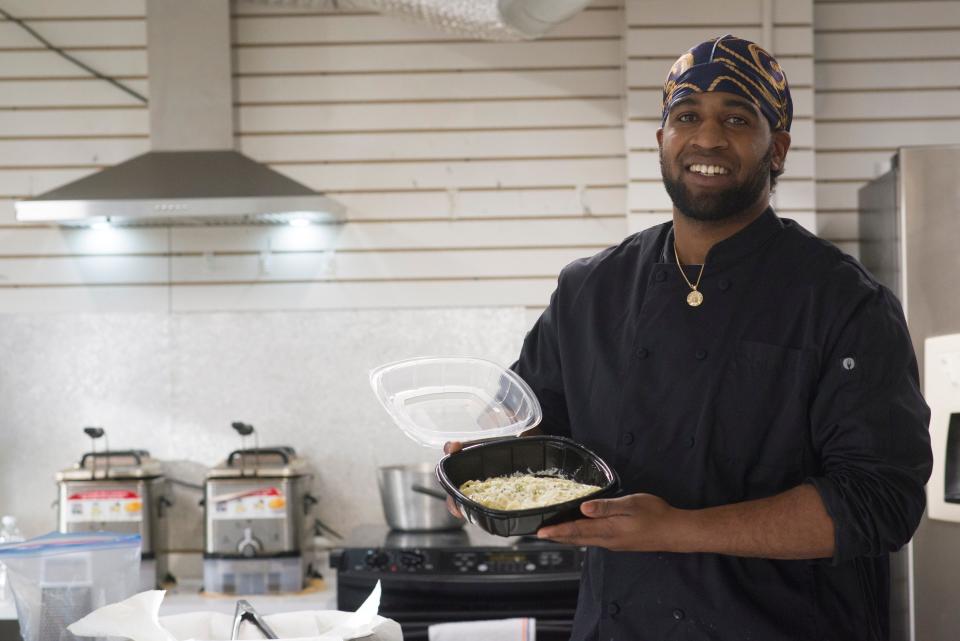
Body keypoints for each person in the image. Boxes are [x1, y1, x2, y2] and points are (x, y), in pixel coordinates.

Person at [446, 35, 932, 640]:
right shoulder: (589, 291)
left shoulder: (842, 301)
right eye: (686, 116)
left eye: (736, 118)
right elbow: (536, 431)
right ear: (662, 140)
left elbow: (878, 503)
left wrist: (673, 528)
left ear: (776, 148)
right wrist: (484, 468)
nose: (707, 138)